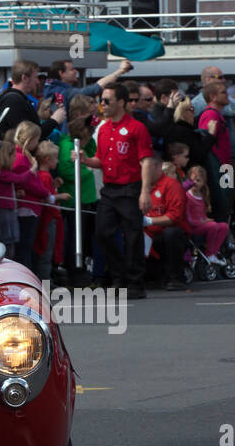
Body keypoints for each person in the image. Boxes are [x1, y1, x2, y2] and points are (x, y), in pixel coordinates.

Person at [88, 82, 153, 297]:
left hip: (130, 188)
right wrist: (84, 160)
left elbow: (145, 161)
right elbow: (101, 160)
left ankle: (135, 282)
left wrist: (145, 192)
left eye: (107, 100)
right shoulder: (104, 128)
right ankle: (119, 275)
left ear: (121, 102)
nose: (103, 104)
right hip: (110, 188)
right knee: (102, 233)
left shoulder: (137, 128)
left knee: (132, 236)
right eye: (101, 100)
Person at [57, 111, 98, 285]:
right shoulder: (67, 146)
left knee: (86, 237)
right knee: (75, 238)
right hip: (75, 200)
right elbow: (66, 170)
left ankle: (84, 269)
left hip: (87, 199)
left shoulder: (85, 144)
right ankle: (75, 272)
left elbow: (94, 152)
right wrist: (86, 173)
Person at [143, 154, 189, 291]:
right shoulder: (141, 187)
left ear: (157, 167)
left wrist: (149, 221)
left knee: (171, 233)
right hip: (148, 236)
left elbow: (174, 217)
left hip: (168, 234)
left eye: (146, 168)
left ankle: (176, 277)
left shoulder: (171, 185)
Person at [12, 121, 52, 269]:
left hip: (28, 207)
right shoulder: (22, 158)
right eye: (36, 139)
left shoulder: (23, 156)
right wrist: (46, 194)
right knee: (25, 248)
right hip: (27, 208)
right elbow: (31, 183)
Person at [197, 78, 233, 222]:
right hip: (218, 167)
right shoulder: (210, 114)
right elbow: (206, 142)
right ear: (212, 96)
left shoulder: (217, 114)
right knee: (222, 202)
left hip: (225, 166)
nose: (227, 95)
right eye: (223, 92)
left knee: (228, 199)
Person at [0, 60, 65, 137]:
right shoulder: (13, 101)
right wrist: (54, 120)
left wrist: (48, 117)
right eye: (35, 77)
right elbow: (28, 136)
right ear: (24, 78)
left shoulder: (17, 99)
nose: (37, 82)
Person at [32, 140, 68, 280]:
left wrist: (55, 185)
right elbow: (45, 198)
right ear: (47, 159)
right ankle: (45, 280)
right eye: (55, 158)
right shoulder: (44, 176)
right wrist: (60, 196)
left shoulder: (46, 176)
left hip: (50, 218)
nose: (57, 161)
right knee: (46, 251)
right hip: (48, 219)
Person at [182, 165, 230, 263]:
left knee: (224, 226)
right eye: (193, 180)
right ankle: (209, 254)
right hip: (193, 228)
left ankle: (213, 252)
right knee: (213, 226)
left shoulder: (203, 195)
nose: (195, 183)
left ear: (203, 182)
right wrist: (204, 222)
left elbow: (203, 216)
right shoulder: (187, 196)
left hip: (202, 226)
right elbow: (189, 220)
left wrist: (204, 221)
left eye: (198, 180)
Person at [43, 57, 133, 105]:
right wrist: (121, 70)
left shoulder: (52, 90)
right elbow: (94, 89)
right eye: (72, 69)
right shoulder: (63, 93)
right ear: (61, 73)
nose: (76, 72)